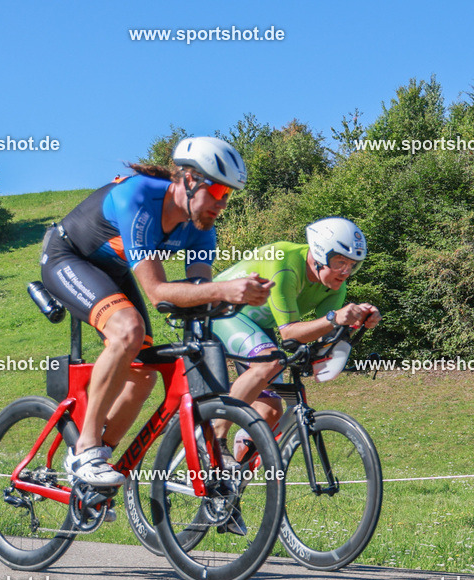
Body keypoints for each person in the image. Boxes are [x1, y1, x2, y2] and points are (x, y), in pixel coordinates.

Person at [39, 136, 273, 488]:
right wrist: (224, 289)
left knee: (144, 373)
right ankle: (84, 449)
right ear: (191, 180)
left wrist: (238, 298)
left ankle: (96, 470)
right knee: (128, 331)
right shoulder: (139, 197)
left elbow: (198, 295)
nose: (222, 205)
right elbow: (156, 291)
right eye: (221, 192)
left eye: (230, 197)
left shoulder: (201, 229)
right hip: (68, 257)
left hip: (113, 271)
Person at [209, 217, 382, 457]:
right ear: (320, 255)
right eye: (340, 262)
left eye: (352, 265)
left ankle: (227, 486)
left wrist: (357, 323)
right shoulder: (285, 262)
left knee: (270, 412)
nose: (346, 271)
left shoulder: (335, 286)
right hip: (219, 311)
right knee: (270, 361)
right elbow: (290, 333)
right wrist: (335, 318)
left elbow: (326, 336)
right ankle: (213, 441)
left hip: (256, 326)